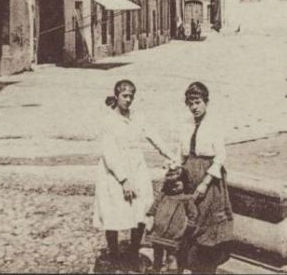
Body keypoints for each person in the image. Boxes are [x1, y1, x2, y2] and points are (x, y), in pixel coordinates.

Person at [94, 79, 178, 271]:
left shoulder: (137, 117)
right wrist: (123, 180)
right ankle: (114, 254)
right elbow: (109, 152)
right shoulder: (108, 120)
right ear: (116, 96)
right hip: (113, 172)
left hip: (137, 168)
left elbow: (154, 137)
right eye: (125, 96)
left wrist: (172, 156)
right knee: (112, 211)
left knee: (141, 210)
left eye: (131, 96)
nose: (128, 100)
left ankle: (133, 250)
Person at [178, 82, 234, 272]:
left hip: (208, 178)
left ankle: (206, 265)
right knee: (190, 217)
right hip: (189, 175)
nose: (194, 107)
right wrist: (176, 169)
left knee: (207, 221)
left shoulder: (214, 124)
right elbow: (181, 153)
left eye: (198, 102)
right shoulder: (186, 124)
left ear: (206, 102)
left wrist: (205, 183)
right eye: (190, 103)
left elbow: (221, 156)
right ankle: (189, 262)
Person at [147, 167, 198, 273]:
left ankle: (172, 271)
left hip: (174, 234)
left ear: (184, 183)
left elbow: (193, 215)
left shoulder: (186, 199)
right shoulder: (163, 196)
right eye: (170, 185)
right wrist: (150, 219)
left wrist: (187, 228)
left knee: (171, 256)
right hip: (158, 231)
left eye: (176, 185)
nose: (173, 188)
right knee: (157, 253)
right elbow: (153, 208)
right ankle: (156, 269)